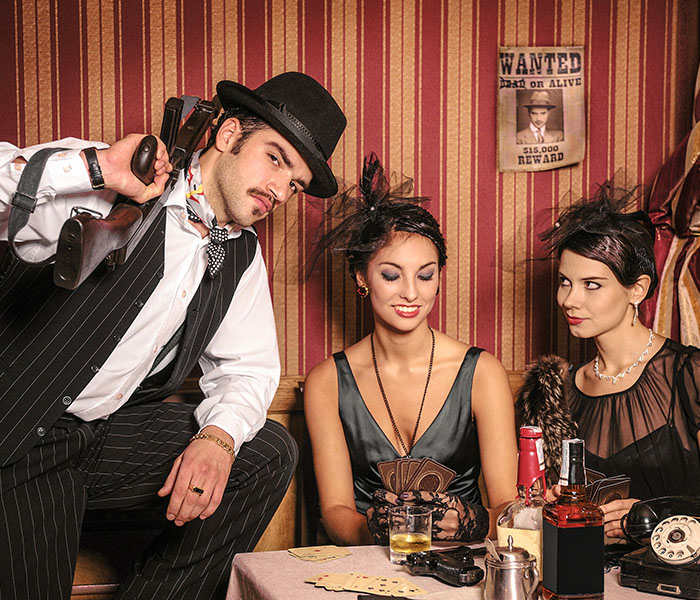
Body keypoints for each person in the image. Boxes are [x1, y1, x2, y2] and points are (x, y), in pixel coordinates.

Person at [0, 72, 346, 600]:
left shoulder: (241, 253)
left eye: (294, 184)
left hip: (94, 438)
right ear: (228, 134)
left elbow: (249, 370)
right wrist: (94, 167)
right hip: (17, 429)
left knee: (267, 452)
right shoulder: (116, 177)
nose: (280, 191)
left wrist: (218, 440)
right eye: (276, 159)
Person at [304, 154, 518, 546]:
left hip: (461, 563)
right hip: (367, 565)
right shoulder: (327, 381)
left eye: (425, 275)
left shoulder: (482, 372)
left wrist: (468, 522)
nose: (411, 292)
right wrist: (373, 527)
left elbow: (509, 508)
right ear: (361, 276)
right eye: (391, 275)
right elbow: (334, 512)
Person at [523, 186, 700, 541]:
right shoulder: (554, 391)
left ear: (637, 289)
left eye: (591, 284)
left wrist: (655, 515)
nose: (570, 300)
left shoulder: (689, 374)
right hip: (579, 569)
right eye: (565, 282)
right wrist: (551, 507)